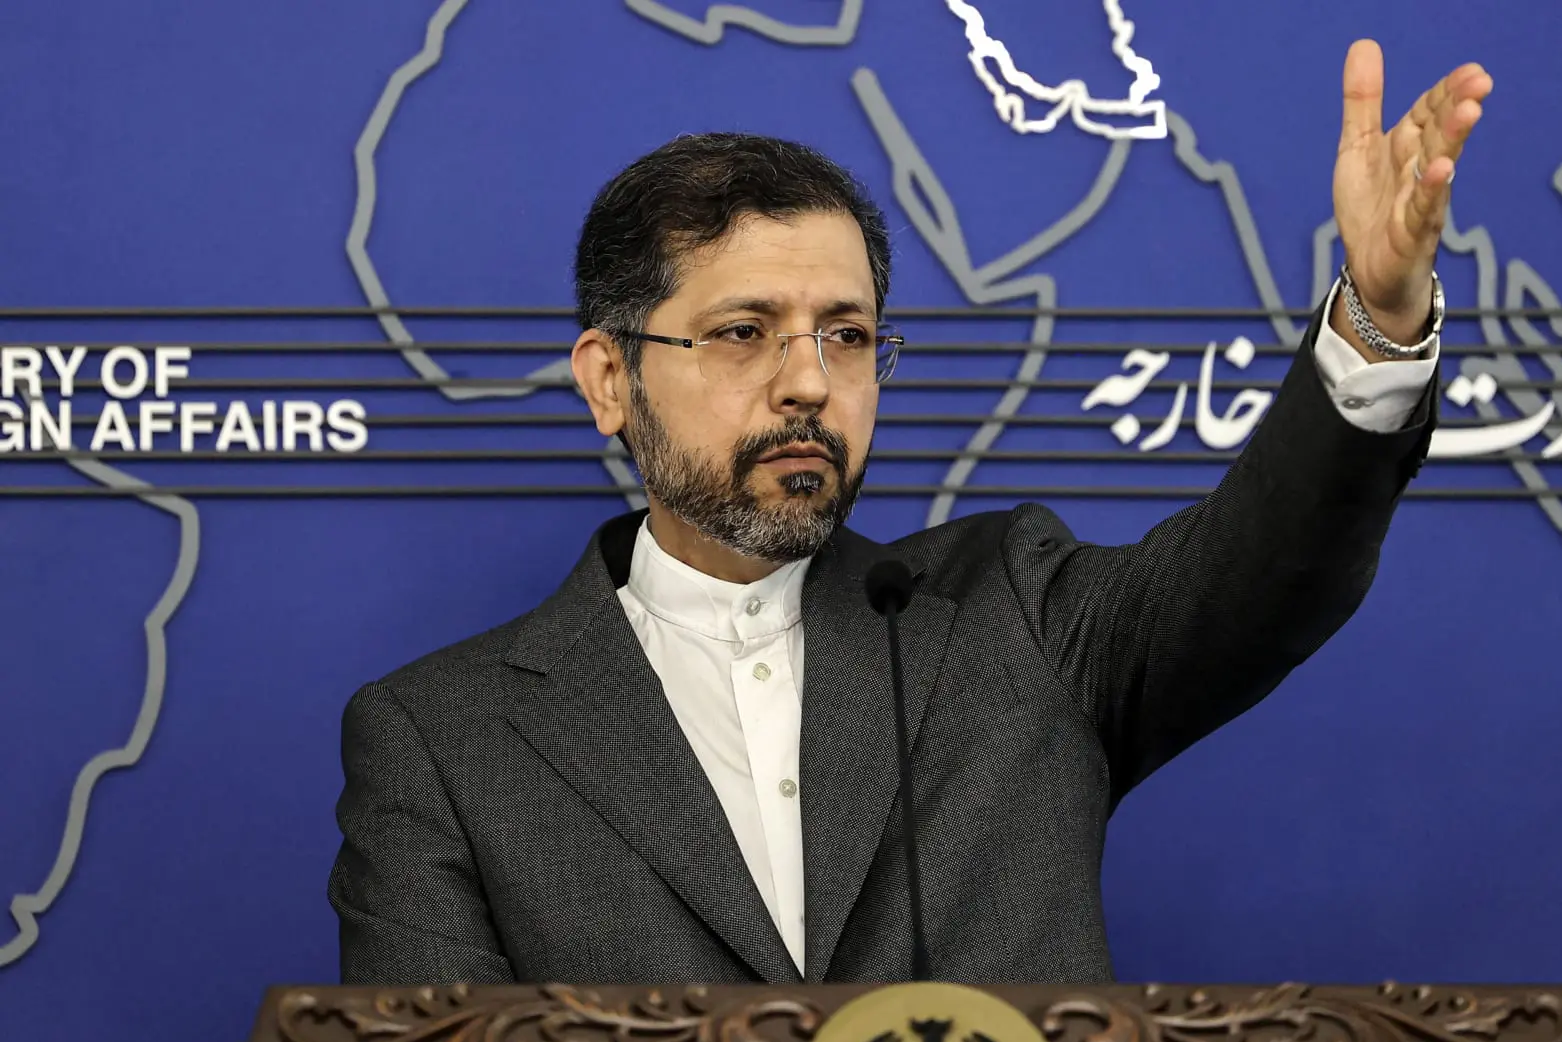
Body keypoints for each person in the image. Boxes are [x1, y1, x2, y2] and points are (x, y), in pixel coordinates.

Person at [329, 41, 1492, 985]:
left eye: (846, 334)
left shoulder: (1018, 616)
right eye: (744, 332)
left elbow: (1265, 569)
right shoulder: (441, 739)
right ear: (609, 380)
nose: (808, 381)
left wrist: (1377, 320)